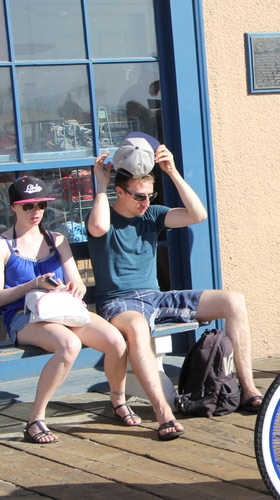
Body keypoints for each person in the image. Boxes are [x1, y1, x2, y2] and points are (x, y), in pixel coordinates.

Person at [86, 133, 263, 441]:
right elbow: (98, 227)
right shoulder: (105, 214)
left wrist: (172, 172)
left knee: (233, 300)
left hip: (155, 297)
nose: (145, 203)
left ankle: (248, 389)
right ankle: (163, 414)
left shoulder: (152, 215)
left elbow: (198, 214)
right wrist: (100, 186)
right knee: (138, 327)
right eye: (138, 196)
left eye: (149, 196)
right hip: (118, 303)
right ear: (120, 192)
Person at [0, 177, 139, 444]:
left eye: (41, 204)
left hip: (60, 309)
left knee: (116, 341)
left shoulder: (57, 239)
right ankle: (35, 419)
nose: (36, 211)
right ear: (14, 207)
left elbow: (78, 282)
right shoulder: (5, 245)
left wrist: (76, 287)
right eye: (28, 206)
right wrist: (33, 284)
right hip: (24, 317)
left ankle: (118, 401)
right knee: (70, 345)